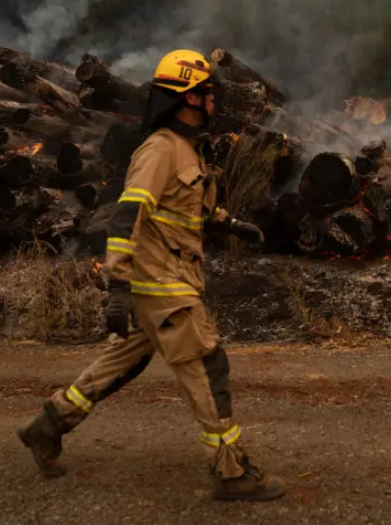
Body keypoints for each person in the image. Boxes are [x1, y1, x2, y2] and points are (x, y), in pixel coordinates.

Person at [16, 49, 287, 502]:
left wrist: (228, 223)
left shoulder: (187, 150)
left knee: (122, 363)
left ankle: (47, 426)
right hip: (162, 286)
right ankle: (231, 471)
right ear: (188, 98)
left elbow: (184, 209)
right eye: (207, 94)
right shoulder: (160, 150)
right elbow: (127, 219)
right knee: (207, 366)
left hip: (160, 283)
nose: (214, 102)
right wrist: (117, 286)